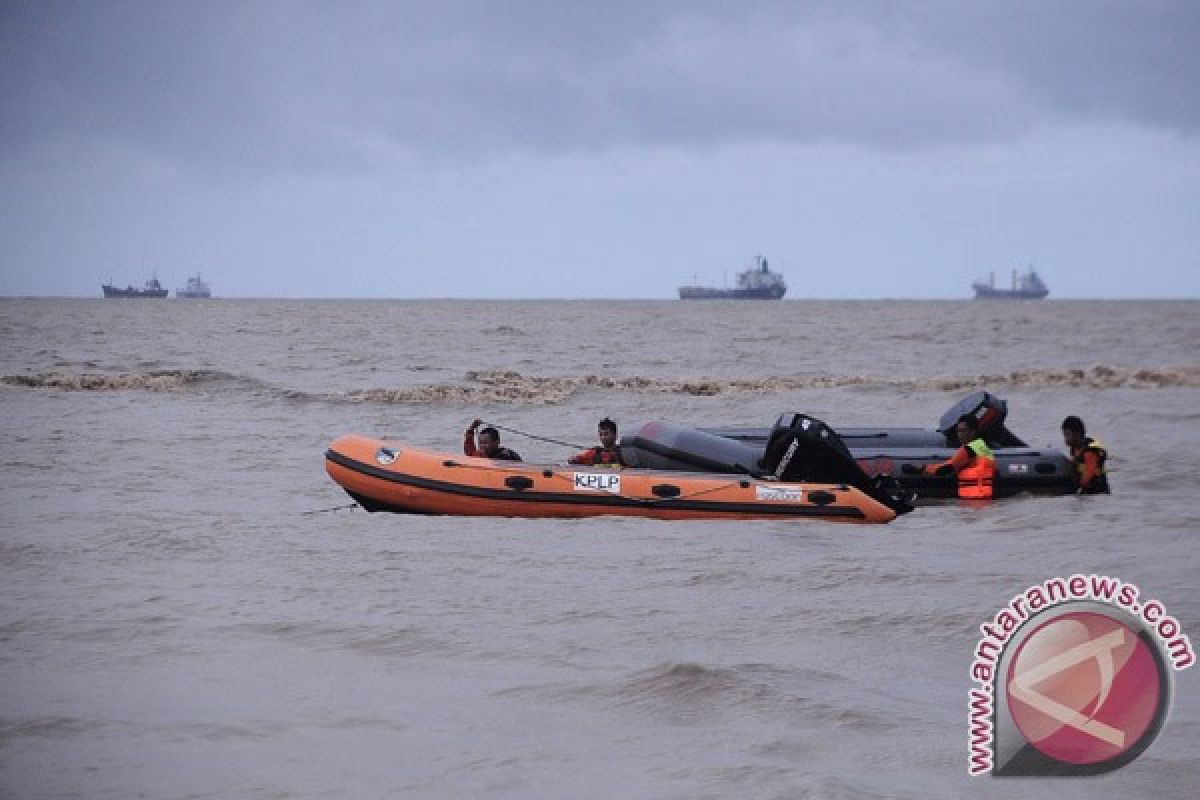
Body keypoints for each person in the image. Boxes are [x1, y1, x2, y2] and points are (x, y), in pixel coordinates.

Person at [923, 414, 995, 500]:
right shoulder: (983, 447)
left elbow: (947, 468)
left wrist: (923, 469)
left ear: (972, 432)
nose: (959, 435)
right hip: (985, 499)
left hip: (972, 500)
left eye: (962, 431)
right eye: (958, 431)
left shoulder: (968, 449)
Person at [1061, 415, 1110, 494]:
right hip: (1087, 490)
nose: (1065, 439)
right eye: (1064, 435)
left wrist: (1077, 487)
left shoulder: (1089, 450)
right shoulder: (1075, 449)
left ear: (1077, 434)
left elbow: (1089, 474)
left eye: (1067, 435)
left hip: (1098, 491)